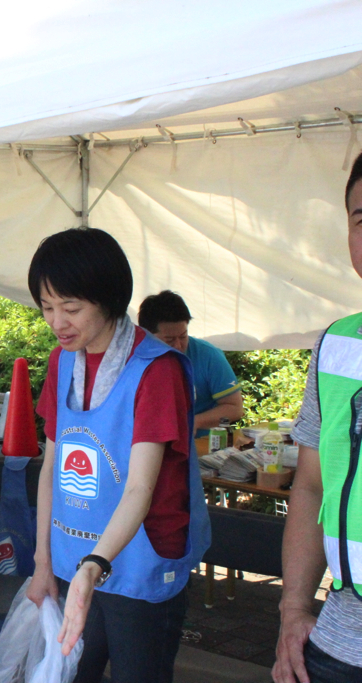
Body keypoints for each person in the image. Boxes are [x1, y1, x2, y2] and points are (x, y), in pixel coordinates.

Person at [25, 228, 210, 683]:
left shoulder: (156, 369)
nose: (57, 322)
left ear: (109, 299)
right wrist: (43, 562)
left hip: (138, 564)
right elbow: (52, 468)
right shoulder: (62, 361)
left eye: (71, 308)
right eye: (47, 308)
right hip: (74, 557)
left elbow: (140, 488)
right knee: (73, 673)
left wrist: (95, 566)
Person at [272, 153, 362, 683]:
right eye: (361, 220)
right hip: (337, 641)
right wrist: (293, 611)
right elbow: (309, 486)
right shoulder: (336, 346)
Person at [138, 290, 244, 439]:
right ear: (146, 334)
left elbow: (235, 408)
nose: (178, 345)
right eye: (169, 340)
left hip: (200, 443)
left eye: (183, 336)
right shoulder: (132, 359)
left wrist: (194, 422)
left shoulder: (208, 355)